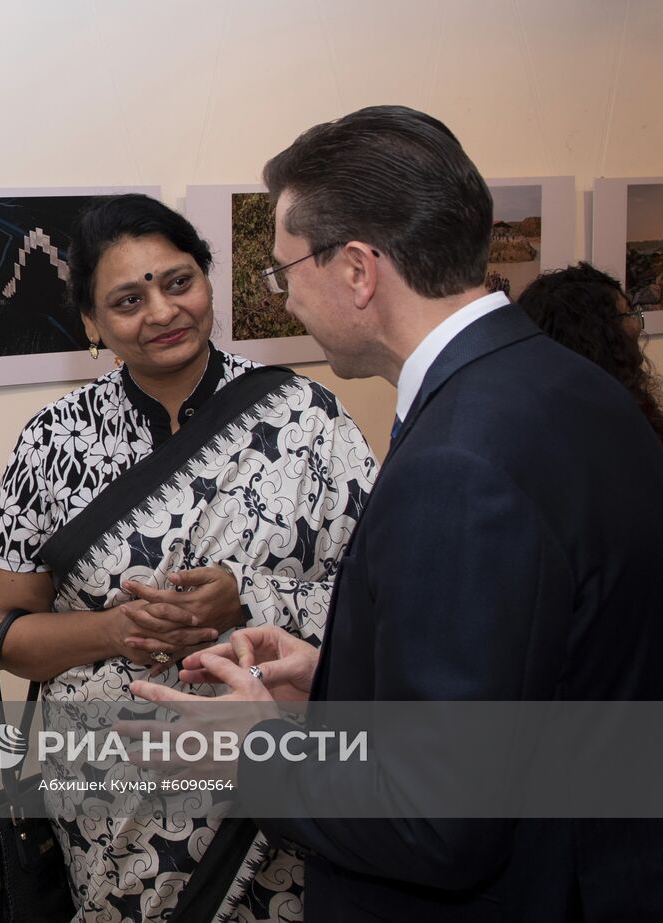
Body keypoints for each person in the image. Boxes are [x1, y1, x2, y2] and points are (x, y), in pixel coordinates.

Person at [131, 106, 663, 922]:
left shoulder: (458, 463)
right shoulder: (571, 386)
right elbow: (533, 674)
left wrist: (252, 749)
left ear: (355, 270)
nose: (286, 297)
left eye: (284, 271)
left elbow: (436, 822)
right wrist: (345, 680)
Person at [0, 193, 378, 921]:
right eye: (128, 299)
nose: (162, 312)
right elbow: (2, 633)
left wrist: (249, 598)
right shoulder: (53, 442)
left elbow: (387, 609)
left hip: (273, 786)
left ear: (207, 280)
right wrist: (112, 632)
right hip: (110, 798)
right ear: (92, 324)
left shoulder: (307, 418)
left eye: (178, 282)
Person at [518, 262, 663, 441]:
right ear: (596, 340)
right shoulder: (615, 427)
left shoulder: (529, 424)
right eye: (627, 313)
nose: (636, 325)